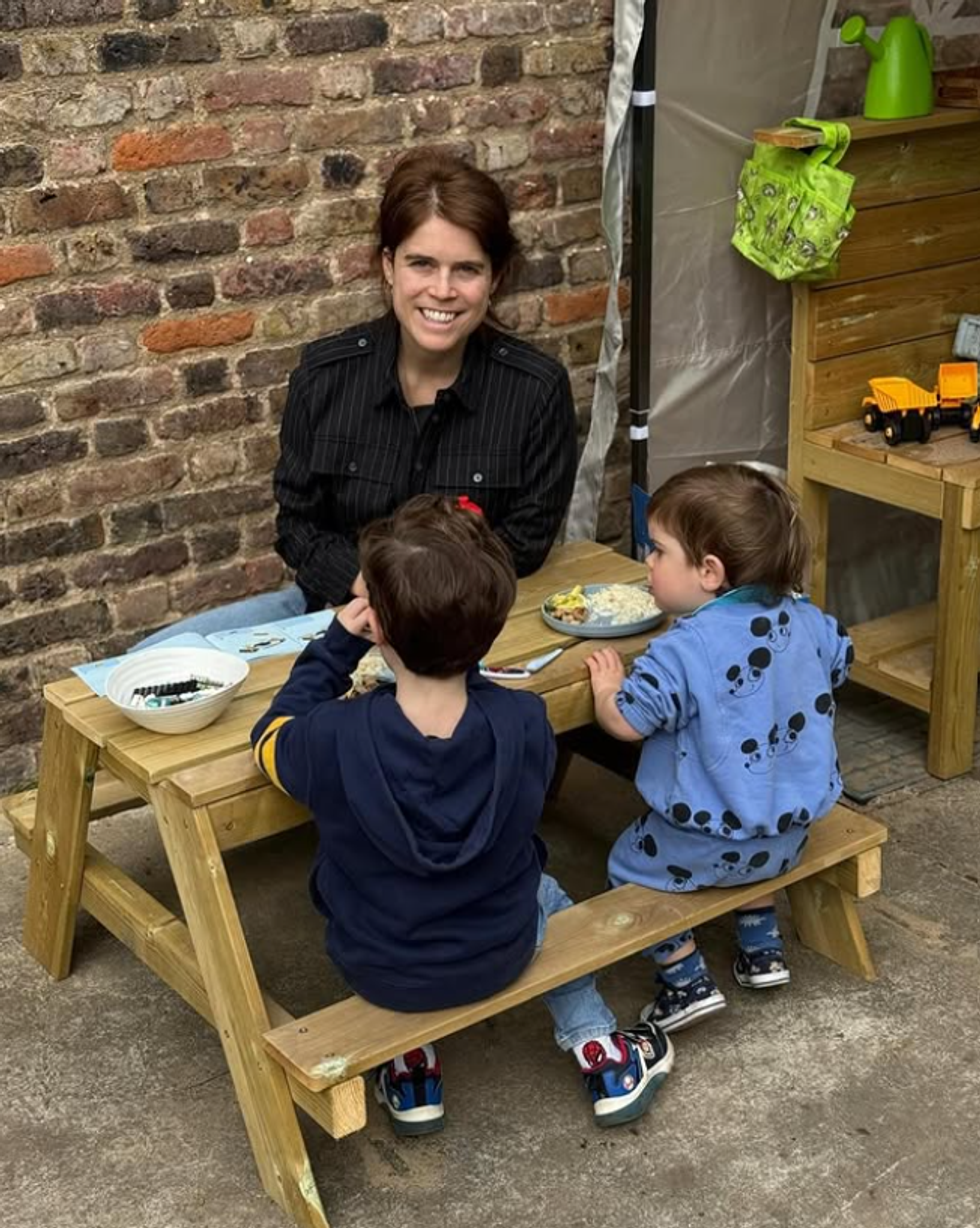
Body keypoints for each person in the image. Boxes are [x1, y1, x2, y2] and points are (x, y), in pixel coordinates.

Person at [250, 495, 673, 1136]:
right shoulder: (525, 722)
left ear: (379, 629)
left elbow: (268, 737)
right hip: (501, 948)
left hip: (379, 964)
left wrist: (335, 646)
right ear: (492, 629)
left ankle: (413, 1069)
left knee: (383, 890)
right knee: (546, 890)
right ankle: (602, 1051)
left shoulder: (332, 737)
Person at [137, 148, 577, 647]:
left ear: (495, 277)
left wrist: (417, 604)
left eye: (466, 270)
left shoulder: (535, 389)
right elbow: (298, 524)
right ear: (389, 266)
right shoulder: (326, 375)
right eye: (421, 264)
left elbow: (525, 541)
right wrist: (368, 588)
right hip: (336, 614)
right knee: (142, 659)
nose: (442, 289)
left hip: (467, 628)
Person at [585, 464, 853, 1035]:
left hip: (701, 843)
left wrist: (608, 688)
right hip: (788, 838)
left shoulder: (682, 649)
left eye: (657, 551)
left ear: (709, 571)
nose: (648, 563)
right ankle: (761, 947)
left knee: (624, 863)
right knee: (747, 816)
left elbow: (627, 724)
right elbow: (840, 659)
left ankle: (684, 980)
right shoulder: (808, 619)